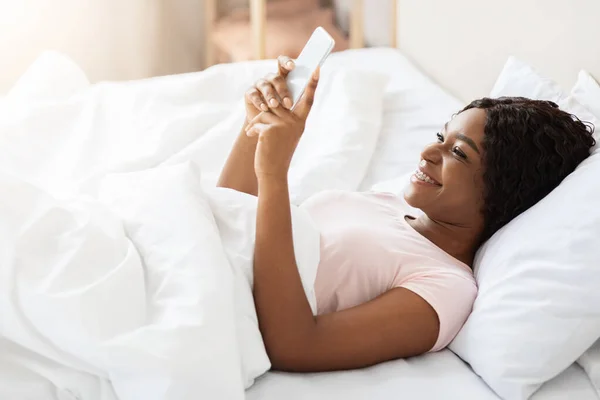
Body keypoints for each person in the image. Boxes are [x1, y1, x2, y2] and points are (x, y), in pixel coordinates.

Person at [217, 56, 596, 372]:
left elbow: (296, 346)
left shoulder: (445, 286)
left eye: (459, 153)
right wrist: (256, 127)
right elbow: (232, 215)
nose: (428, 154)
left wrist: (273, 173)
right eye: (439, 138)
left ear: (505, 188)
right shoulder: (387, 202)